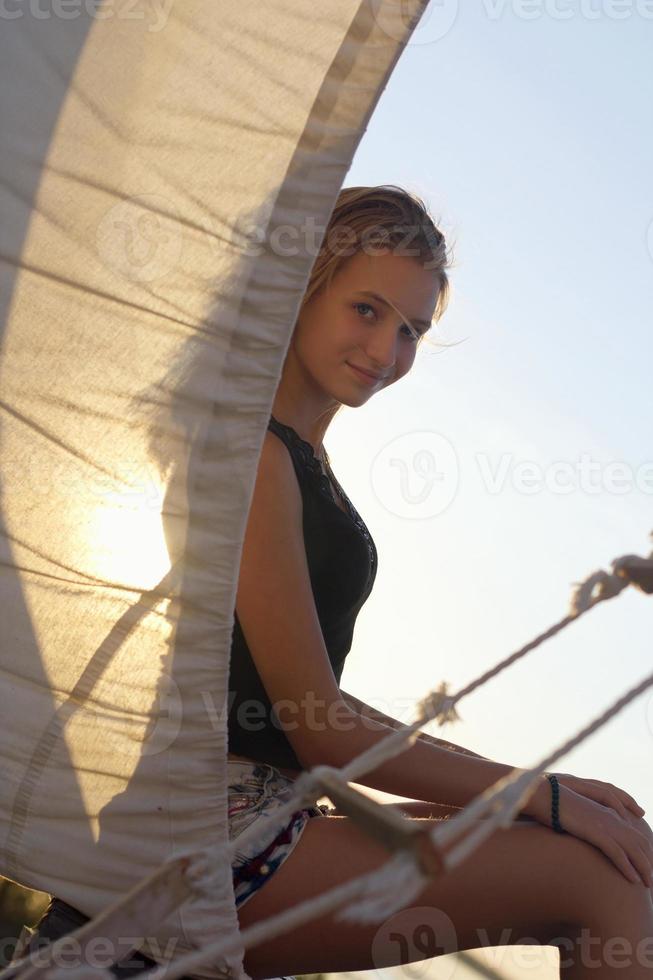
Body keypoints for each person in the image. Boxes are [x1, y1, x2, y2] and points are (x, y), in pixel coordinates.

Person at [226, 185, 653, 979]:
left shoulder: (302, 464)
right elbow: (316, 724)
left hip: (280, 814)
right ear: (303, 285)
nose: (386, 350)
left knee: (601, 845)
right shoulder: (253, 456)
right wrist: (537, 792)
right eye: (366, 310)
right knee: (605, 879)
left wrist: (540, 798)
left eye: (411, 330)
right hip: (214, 846)